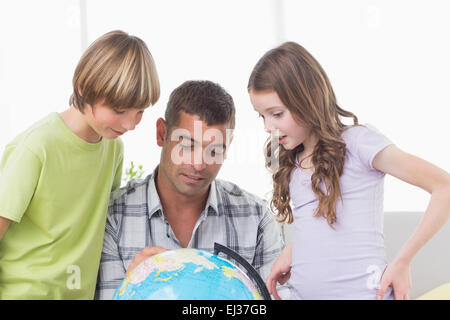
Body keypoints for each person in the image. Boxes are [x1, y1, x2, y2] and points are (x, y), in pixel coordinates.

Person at [247, 41, 450, 300]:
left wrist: (402, 261)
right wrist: (293, 250)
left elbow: (444, 186)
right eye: (261, 116)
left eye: (276, 113)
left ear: (307, 98)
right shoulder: (293, 163)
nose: (267, 126)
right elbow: (327, 227)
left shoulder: (357, 143)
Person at [0, 30, 160, 299]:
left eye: (140, 112)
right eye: (119, 111)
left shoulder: (113, 148)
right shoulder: (37, 147)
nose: (130, 124)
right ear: (83, 90)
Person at [95, 80, 286, 300]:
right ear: (161, 133)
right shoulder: (114, 217)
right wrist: (135, 288)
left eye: (214, 150)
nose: (198, 164)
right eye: (187, 145)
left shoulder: (256, 219)